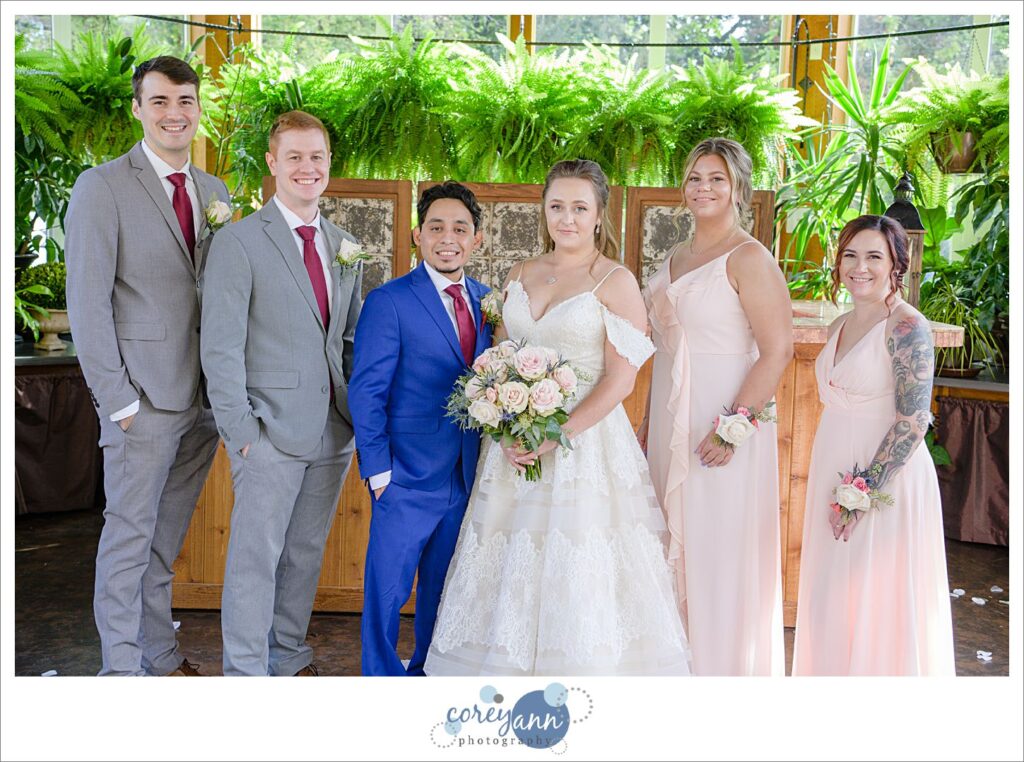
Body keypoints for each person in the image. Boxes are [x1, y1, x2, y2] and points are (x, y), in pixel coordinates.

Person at [425, 160, 690, 676]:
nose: (566, 218)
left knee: (576, 561)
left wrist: (557, 435)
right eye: (556, 206)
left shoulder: (615, 281)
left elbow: (621, 378)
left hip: (583, 445)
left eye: (579, 208)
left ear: (598, 216)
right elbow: (500, 357)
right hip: (515, 446)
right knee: (510, 559)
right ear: (543, 210)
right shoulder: (520, 273)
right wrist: (504, 425)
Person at [65, 56, 230, 676]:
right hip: (142, 400)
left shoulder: (215, 193)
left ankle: (160, 654)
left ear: (197, 109)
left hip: (201, 403)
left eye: (185, 101)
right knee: (128, 539)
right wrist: (119, 399)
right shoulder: (102, 186)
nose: (174, 113)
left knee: (164, 543)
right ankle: (121, 670)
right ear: (137, 109)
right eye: (160, 101)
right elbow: (86, 300)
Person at [200, 110, 362, 676]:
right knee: (255, 559)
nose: (306, 167)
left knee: (303, 553)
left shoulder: (345, 245)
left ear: (329, 163)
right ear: (272, 164)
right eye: (293, 156)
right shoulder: (240, 242)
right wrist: (242, 433)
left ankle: (288, 655)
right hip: (266, 432)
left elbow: (345, 339)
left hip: (331, 432)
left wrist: (353, 419)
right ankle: (245, 674)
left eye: (316, 156)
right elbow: (219, 348)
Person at [641, 137, 791, 676]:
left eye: (716, 178)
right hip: (668, 421)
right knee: (668, 545)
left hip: (722, 422)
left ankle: (722, 672)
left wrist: (732, 429)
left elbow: (778, 351)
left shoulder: (750, 256)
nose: (703, 187)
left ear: (738, 189)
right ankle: (675, 667)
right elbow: (663, 350)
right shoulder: (674, 256)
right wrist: (644, 424)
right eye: (695, 177)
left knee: (716, 547)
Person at [792, 215, 955, 675]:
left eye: (873, 257)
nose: (859, 267)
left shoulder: (907, 328)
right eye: (850, 255)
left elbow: (912, 420)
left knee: (877, 596)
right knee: (833, 589)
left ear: (896, 265)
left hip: (885, 482)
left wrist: (862, 493)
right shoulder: (839, 324)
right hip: (835, 466)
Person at [350, 181, 493, 676]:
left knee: (445, 591)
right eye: (436, 227)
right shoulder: (388, 301)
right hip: (404, 477)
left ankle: (429, 677)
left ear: (476, 238)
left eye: (460, 228)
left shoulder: (488, 301)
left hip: (466, 474)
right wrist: (379, 471)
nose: (447, 237)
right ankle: (382, 681)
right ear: (417, 234)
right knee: (387, 593)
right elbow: (366, 391)